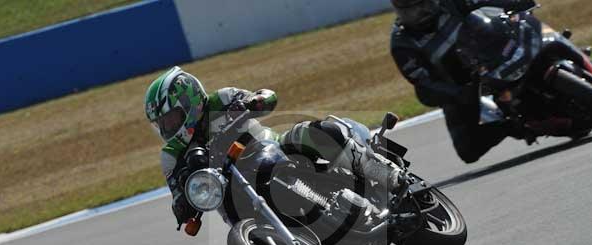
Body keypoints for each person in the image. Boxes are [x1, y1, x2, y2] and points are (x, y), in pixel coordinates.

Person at [144, 67, 405, 228]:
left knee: (312, 132)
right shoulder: (171, 155)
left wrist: (254, 101)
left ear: (189, 102)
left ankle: (382, 172)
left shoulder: (221, 99)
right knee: (234, 219)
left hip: (272, 151)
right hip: (233, 191)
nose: (167, 127)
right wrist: (182, 208)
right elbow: (179, 194)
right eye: (161, 123)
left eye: (171, 118)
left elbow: (267, 97)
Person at [390, 0, 535, 163]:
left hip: (496, 52)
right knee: (468, 150)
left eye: (424, 5)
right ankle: (511, 125)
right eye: (412, 10)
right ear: (399, 11)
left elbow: (489, 1)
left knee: (527, 28)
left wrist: (517, 3)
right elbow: (422, 82)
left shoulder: (453, 3)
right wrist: (456, 93)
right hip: (463, 84)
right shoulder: (402, 42)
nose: (421, 13)